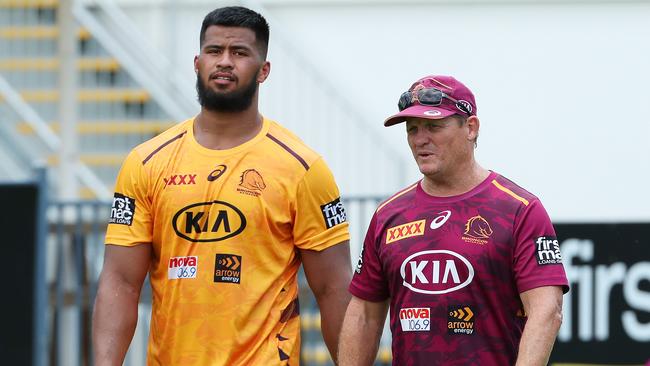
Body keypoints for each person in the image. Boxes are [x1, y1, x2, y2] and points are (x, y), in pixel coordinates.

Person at [92, 6, 352, 365]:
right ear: (197, 63)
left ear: (264, 71)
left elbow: (334, 288)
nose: (225, 62)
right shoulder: (146, 162)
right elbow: (119, 282)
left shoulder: (303, 168)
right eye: (214, 51)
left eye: (240, 53)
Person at [338, 75, 569, 365]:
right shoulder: (388, 215)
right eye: (413, 129)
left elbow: (547, 311)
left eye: (434, 126)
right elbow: (363, 315)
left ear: (471, 128)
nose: (421, 139)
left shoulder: (519, 209)